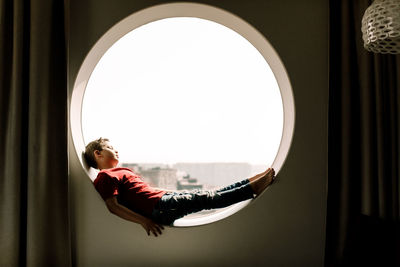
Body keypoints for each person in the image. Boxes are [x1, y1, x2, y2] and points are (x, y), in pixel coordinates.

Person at [84, 137, 276, 237]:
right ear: (98, 153)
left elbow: (144, 192)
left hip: (165, 200)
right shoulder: (105, 176)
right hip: (161, 207)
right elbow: (113, 206)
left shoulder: (119, 171)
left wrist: (173, 193)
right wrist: (143, 221)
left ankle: (252, 181)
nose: (116, 149)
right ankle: (253, 188)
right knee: (210, 199)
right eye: (111, 147)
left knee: (210, 194)